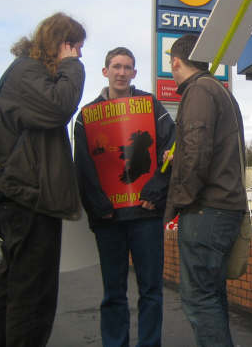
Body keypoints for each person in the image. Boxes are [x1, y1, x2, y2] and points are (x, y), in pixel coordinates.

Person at [0, 12, 86, 347]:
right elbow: (60, 107)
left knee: (14, 291)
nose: (79, 54)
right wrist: (72, 66)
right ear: (62, 43)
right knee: (32, 300)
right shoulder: (27, 71)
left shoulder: (27, 74)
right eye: (76, 47)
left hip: (24, 197)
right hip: (29, 199)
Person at [74, 47, 175, 347]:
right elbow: (83, 167)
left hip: (146, 213)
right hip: (108, 218)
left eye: (127, 67)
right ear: (105, 71)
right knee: (114, 293)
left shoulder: (151, 105)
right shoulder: (86, 116)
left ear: (134, 73)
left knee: (151, 291)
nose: (121, 72)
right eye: (116, 66)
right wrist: (98, 205)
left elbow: (171, 149)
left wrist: (156, 191)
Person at [164, 34, 246, 347]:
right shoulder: (219, 91)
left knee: (199, 298)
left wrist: (178, 202)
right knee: (211, 296)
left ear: (176, 62)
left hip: (206, 211)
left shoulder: (198, 91)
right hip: (224, 208)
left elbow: (197, 153)